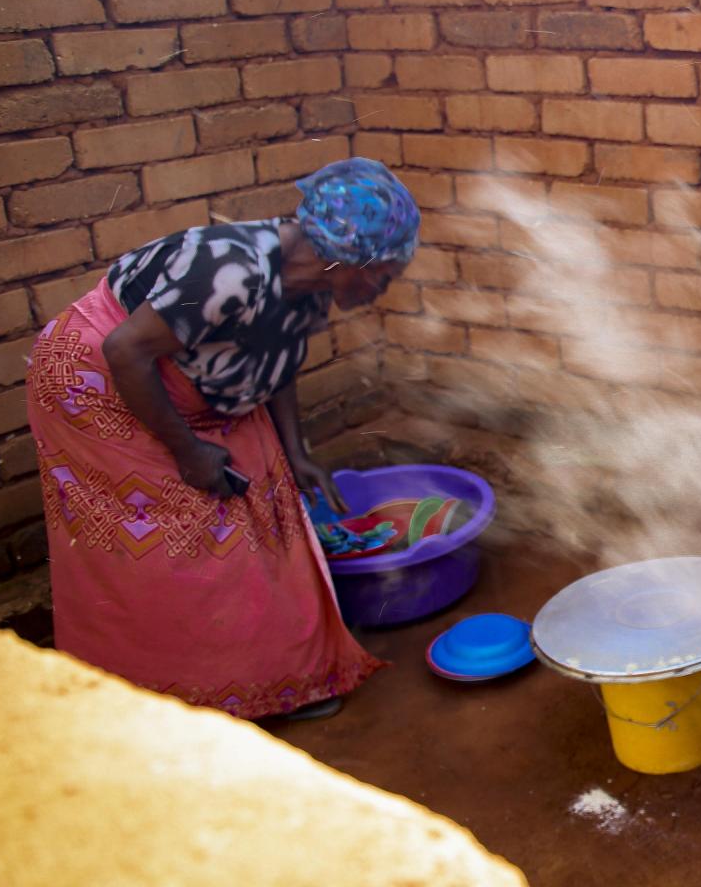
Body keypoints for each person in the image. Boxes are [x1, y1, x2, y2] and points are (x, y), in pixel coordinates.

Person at [26, 157, 419, 720]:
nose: (384, 288)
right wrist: (186, 451)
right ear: (349, 257)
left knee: (268, 496)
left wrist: (297, 452)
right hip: (99, 388)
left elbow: (276, 366)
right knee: (188, 532)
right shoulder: (227, 270)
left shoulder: (308, 285)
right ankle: (180, 700)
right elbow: (125, 351)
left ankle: (274, 679)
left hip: (185, 382)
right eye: (386, 273)